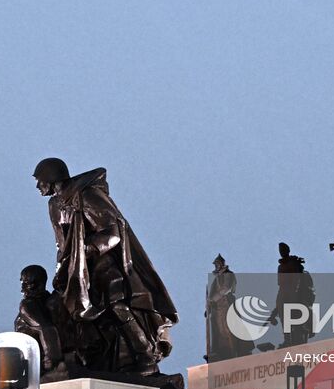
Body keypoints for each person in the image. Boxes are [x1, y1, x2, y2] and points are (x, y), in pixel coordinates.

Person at [34, 157, 178, 374]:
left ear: (51, 179)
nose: (37, 186)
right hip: (76, 266)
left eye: (40, 180)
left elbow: (114, 233)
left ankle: (144, 354)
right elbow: (61, 244)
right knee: (61, 303)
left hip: (104, 260)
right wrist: (63, 268)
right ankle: (82, 354)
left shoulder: (87, 195)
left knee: (115, 300)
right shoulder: (54, 205)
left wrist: (87, 250)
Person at [13, 264, 66, 376]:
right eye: (22, 283)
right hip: (25, 362)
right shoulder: (49, 301)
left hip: (25, 366)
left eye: (26, 283)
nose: (22, 289)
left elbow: (46, 328)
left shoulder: (29, 304)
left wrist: (52, 362)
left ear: (37, 284)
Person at [270, 242, 315, 347]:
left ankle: (296, 338)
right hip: (283, 292)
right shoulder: (280, 266)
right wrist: (274, 313)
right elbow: (280, 284)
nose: (282, 252)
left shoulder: (293, 264)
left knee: (295, 320)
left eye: (283, 250)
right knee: (284, 318)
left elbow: (296, 281)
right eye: (280, 250)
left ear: (288, 251)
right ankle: (287, 340)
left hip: (292, 293)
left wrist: (294, 295)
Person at [204, 254, 240, 361]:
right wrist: (209, 306)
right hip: (217, 307)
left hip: (226, 304)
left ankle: (232, 350)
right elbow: (211, 294)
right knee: (218, 329)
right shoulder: (217, 278)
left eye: (217, 264)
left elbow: (226, 288)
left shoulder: (228, 274)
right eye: (215, 264)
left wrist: (213, 299)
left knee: (226, 327)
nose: (216, 266)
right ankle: (221, 350)